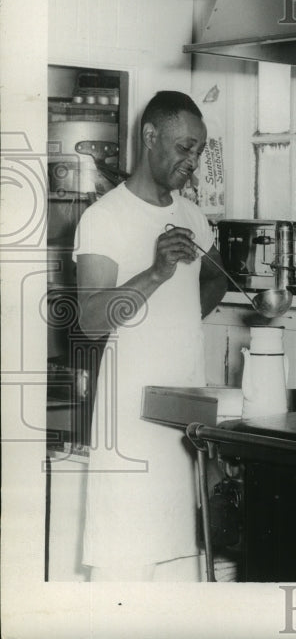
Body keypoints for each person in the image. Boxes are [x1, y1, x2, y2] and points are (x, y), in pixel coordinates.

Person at [74, 90, 228, 581]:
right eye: (185, 147)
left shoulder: (193, 216)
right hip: (131, 431)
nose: (194, 161)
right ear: (149, 136)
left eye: (200, 151)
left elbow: (215, 279)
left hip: (185, 426)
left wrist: (180, 315)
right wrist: (157, 272)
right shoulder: (104, 218)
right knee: (124, 578)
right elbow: (91, 320)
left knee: (183, 582)